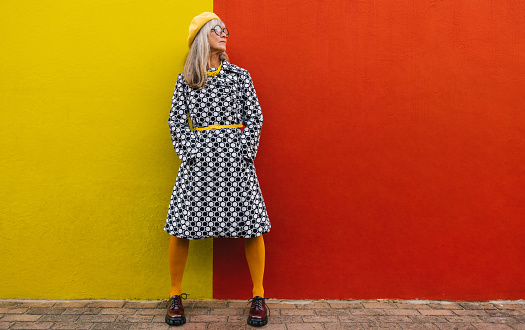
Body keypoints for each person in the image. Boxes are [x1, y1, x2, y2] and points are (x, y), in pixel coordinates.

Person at [163, 12, 271, 327]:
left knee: (251, 224)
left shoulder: (240, 76)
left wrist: (245, 153)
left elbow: (255, 116)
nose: (225, 34)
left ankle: (259, 295)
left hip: (236, 161)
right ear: (202, 37)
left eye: (226, 29)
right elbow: (175, 120)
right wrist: (190, 153)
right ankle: (174, 294)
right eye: (217, 30)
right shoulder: (187, 78)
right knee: (181, 225)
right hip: (198, 163)